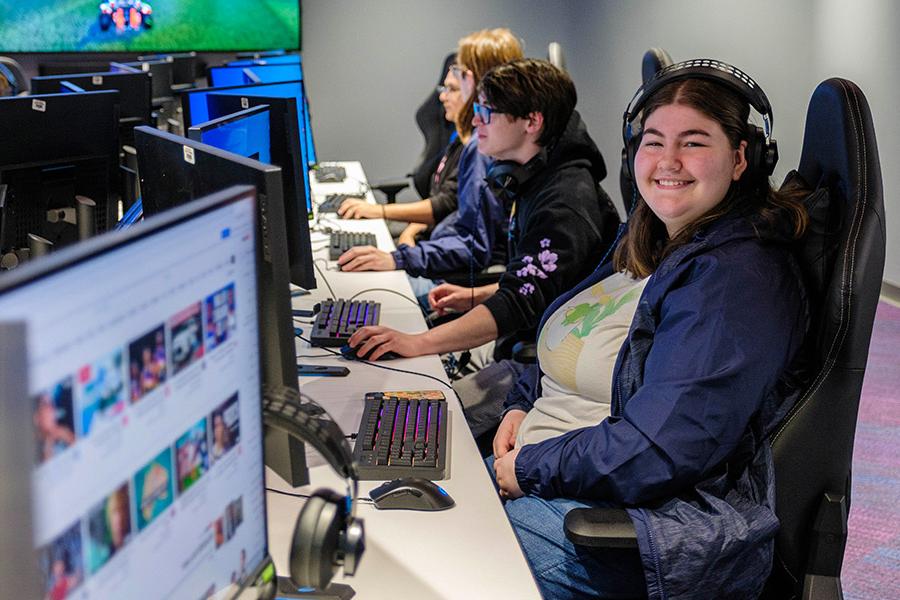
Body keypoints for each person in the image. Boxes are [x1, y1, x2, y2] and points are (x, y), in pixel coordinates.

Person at [490, 64, 810, 599]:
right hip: (562, 475)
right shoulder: (651, 237)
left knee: (433, 553)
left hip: (644, 532)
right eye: (653, 141)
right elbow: (569, 335)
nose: (667, 161)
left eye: (694, 142)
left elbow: (660, 448)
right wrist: (521, 405)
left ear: (742, 158)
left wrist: (530, 465)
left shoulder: (736, 280)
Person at [346, 59, 620, 438]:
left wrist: (417, 342)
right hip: (527, 342)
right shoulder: (534, 178)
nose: (475, 122)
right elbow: (544, 281)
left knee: (422, 424)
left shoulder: (564, 204)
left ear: (531, 122)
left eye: (486, 112)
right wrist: (477, 295)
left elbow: (521, 302)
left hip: (543, 369)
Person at [337, 28, 522, 289]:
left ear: (479, 81)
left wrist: (400, 257)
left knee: (359, 291)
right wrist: (411, 237)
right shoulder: (472, 141)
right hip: (438, 256)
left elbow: (472, 244)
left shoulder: (482, 151)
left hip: (452, 278)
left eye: (460, 77)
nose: (443, 95)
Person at [338, 58, 465, 249]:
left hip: (438, 250)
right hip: (429, 238)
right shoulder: (457, 142)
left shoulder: (475, 151)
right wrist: (410, 232)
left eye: (452, 89)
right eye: (443, 89)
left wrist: (380, 211)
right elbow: (443, 206)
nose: (442, 97)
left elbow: (446, 206)